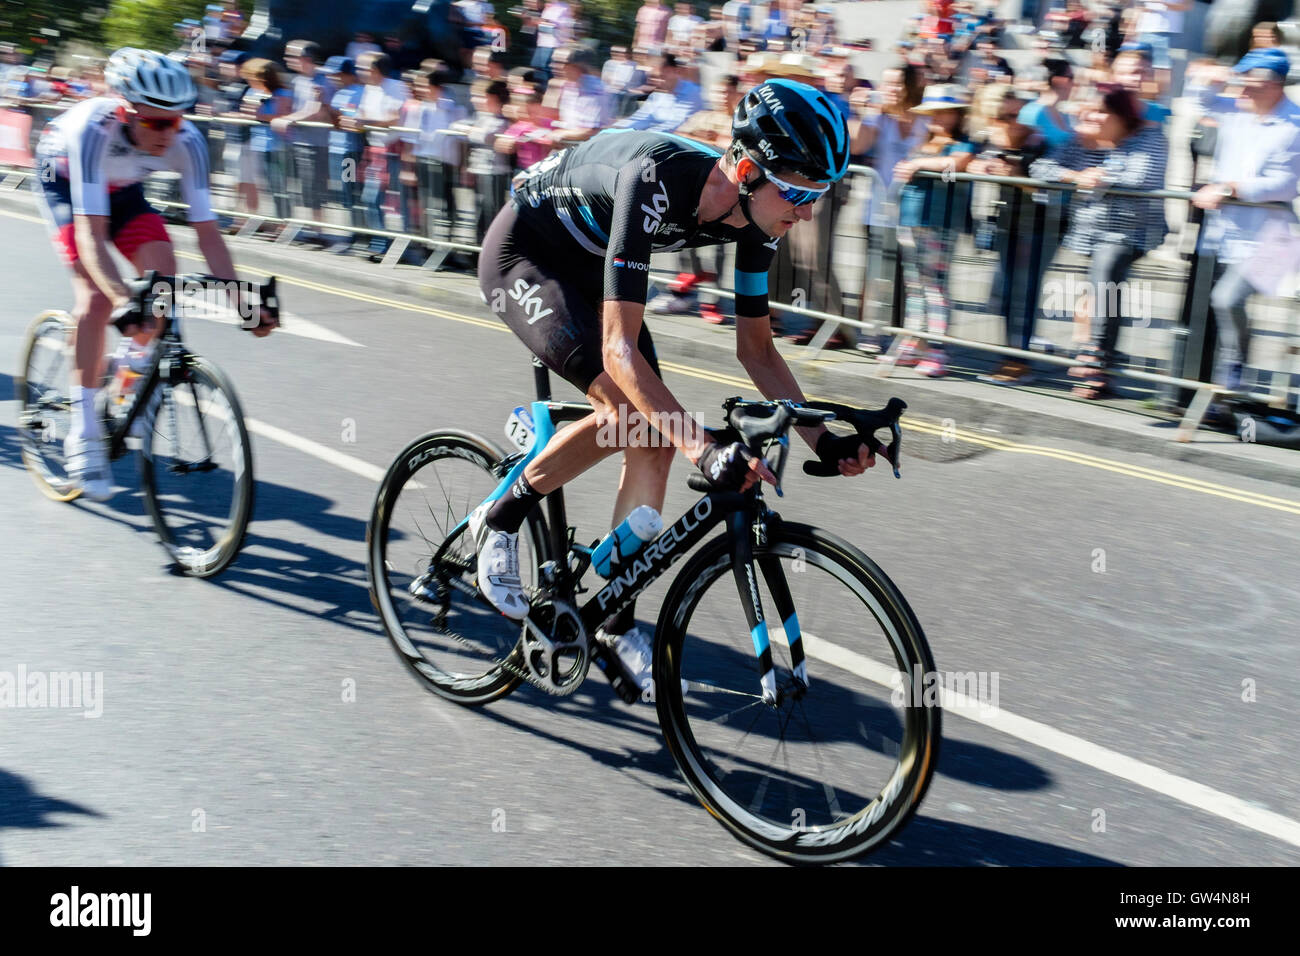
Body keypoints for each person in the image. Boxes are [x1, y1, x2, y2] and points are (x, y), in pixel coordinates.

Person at [472, 80, 872, 689]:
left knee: (654, 435)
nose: (808, 211)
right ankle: (499, 519)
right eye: (797, 192)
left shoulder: (760, 220)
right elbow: (619, 350)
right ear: (744, 168)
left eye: (820, 194)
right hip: (526, 254)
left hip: (594, 263)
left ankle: (615, 622)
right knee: (627, 416)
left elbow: (757, 350)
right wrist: (706, 449)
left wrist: (827, 440)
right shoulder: (655, 179)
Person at [30, 48, 277, 500]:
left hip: (123, 188)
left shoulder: (188, 142)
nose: (169, 132)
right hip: (64, 181)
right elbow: (90, 234)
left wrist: (244, 303)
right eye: (157, 122)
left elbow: (209, 236)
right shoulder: (93, 130)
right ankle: (82, 432)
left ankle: (127, 381)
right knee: (98, 298)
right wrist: (123, 300)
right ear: (125, 111)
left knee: (163, 278)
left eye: (177, 120)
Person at [1030, 86, 1169, 398]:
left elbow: (1141, 177)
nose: (1091, 116)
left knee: (1104, 280)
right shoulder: (1079, 140)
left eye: (1100, 111)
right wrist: (1073, 175)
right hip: (1088, 231)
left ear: (1120, 116)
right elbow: (1040, 168)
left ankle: (1097, 363)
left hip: (1129, 231)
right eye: (1087, 109)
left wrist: (1100, 174)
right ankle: (1092, 353)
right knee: (1093, 292)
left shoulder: (1150, 137)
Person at [1187, 49, 1300, 393]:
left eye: (1248, 81)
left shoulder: (1294, 125)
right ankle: (1226, 389)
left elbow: (1285, 183)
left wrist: (1232, 187)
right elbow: (1202, 102)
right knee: (1219, 305)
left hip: (1274, 236)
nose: (1241, 88)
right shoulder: (1235, 109)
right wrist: (1206, 77)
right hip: (1227, 231)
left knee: (1227, 299)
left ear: (1272, 85)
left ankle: (1234, 376)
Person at [890, 83, 976, 378]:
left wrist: (917, 164)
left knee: (935, 286)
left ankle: (937, 348)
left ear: (957, 114)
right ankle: (916, 341)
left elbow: (958, 163)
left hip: (938, 222)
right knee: (915, 287)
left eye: (943, 113)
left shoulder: (962, 142)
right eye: (933, 113)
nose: (937, 118)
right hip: (912, 220)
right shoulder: (925, 141)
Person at [613, 52, 702, 132]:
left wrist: (647, 135)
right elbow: (642, 118)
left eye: (661, 76)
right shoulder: (657, 95)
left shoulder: (693, 92)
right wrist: (617, 128)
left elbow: (677, 125)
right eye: (653, 77)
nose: (656, 81)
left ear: (675, 71)